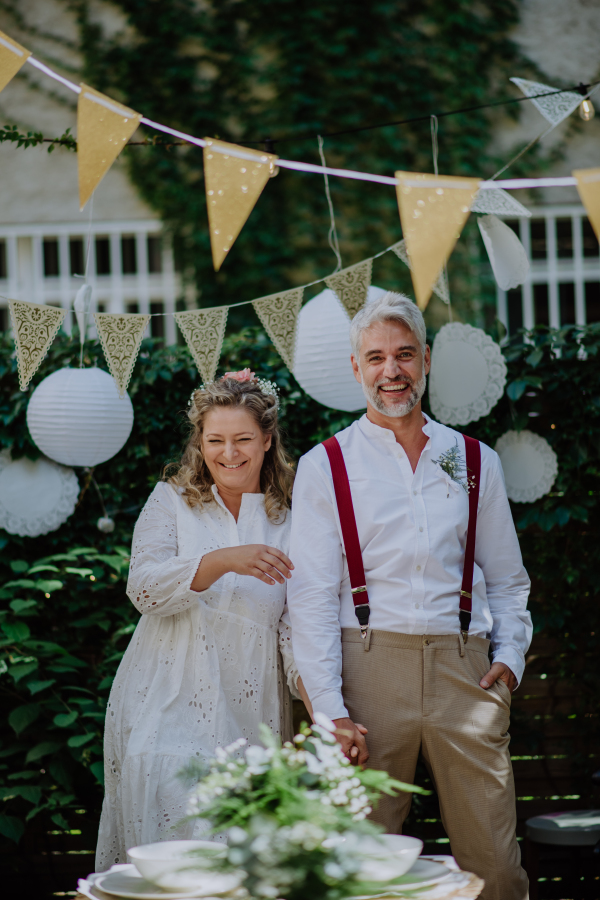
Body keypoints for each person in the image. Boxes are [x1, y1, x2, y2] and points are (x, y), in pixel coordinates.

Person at [287, 292, 532, 900]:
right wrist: (328, 709)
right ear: (355, 368)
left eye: (403, 355)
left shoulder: (475, 460)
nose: (390, 371)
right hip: (366, 670)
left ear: (425, 359)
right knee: (356, 868)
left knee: (496, 868)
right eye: (375, 358)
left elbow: (507, 578)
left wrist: (510, 659)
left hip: (465, 672)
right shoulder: (327, 465)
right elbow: (311, 598)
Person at [96, 370, 304, 871]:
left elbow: (297, 630)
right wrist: (224, 559)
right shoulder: (170, 501)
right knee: (168, 827)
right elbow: (143, 589)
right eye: (215, 440)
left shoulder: (290, 519)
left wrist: (324, 711)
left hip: (250, 712)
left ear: (268, 439)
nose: (228, 453)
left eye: (242, 439)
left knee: (236, 855)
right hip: (162, 700)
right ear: (199, 441)